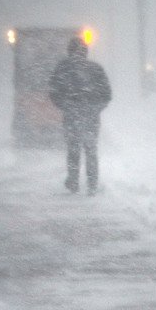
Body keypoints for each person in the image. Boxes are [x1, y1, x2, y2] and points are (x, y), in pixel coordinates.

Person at [49, 37, 112, 195]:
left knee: (73, 149)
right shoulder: (96, 69)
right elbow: (107, 95)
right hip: (91, 117)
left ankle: (73, 182)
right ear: (86, 51)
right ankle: (92, 184)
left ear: (69, 50)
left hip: (71, 116)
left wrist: (65, 107)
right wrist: (95, 108)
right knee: (91, 150)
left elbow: (54, 91)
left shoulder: (63, 68)